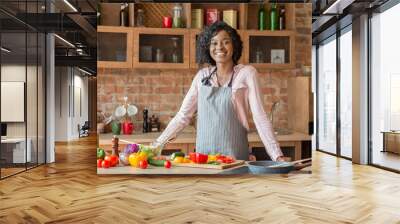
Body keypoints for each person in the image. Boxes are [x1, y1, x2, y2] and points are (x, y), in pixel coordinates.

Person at [154, 21, 285, 161]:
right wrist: (156, 145)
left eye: (225, 42)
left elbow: (260, 117)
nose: (219, 47)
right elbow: (183, 116)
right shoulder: (202, 76)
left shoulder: (247, 74)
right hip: (204, 160)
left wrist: (277, 156)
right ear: (208, 47)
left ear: (234, 45)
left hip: (235, 160)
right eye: (214, 43)